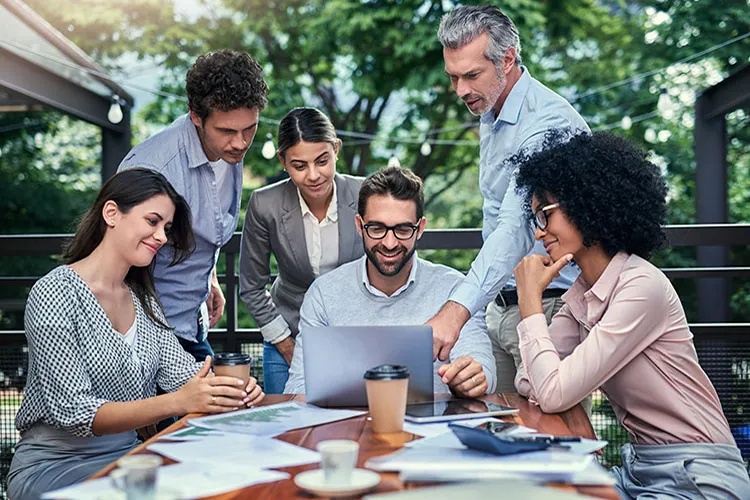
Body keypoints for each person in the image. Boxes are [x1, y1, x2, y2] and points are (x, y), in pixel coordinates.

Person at [511, 131, 750, 499]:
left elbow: (553, 391)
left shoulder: (641, 287)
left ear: (586, 203)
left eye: (545, 215)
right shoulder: (582, 294)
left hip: (699, 475)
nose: (540, 233)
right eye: (535, 221)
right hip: (639, 469)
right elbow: (532, 383)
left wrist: (530, 300)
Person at [7, 169, 264, 500]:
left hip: (131, 458)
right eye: (152, 221)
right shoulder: (55, 293)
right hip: (54, 465)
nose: (160, 236)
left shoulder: (144, 301)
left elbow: (185, 376)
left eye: (166, 228)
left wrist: (230, 388)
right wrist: (177, 401)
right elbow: (75, 413)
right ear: (111, 213)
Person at [429, 5, 590, 393]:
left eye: (471, 76)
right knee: (494, 427)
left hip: (551, 307)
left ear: (507, 58)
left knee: (550, 440)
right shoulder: (492, 106)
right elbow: (494, 212)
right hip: (500, 306)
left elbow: (518, 225)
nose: (461, 90)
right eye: (453, 77)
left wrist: (456, 310)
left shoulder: (547, 124)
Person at [284, 166, 496, 397]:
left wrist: (472, 378)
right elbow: (298, 387)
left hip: (434, 427)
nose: (390, 243)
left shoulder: (456, 291)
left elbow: (485, 371)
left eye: (403, 229)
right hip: (346, 430)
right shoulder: (323, 294)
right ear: (359, 225)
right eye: (376, 228)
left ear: (420, 228)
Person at [118, 50, 269, 361]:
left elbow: (202, 224)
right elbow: (116, 261)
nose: (240, 143)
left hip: (193, 324)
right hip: (147, 340)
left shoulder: (228, 151)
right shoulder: (154, 167)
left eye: (249, 129)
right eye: (227, 131)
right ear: (195, 116)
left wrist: (209, 275)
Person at [239, 107, 364, 393]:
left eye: (322, 161)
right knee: (287, 428)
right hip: (289, 335)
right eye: (299, 165)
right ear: (283, 161)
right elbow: (251, 286)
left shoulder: (364, 194)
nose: (313, 175)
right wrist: (285, 344)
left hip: (356, 338)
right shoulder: (264, 204)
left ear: (336, 149)